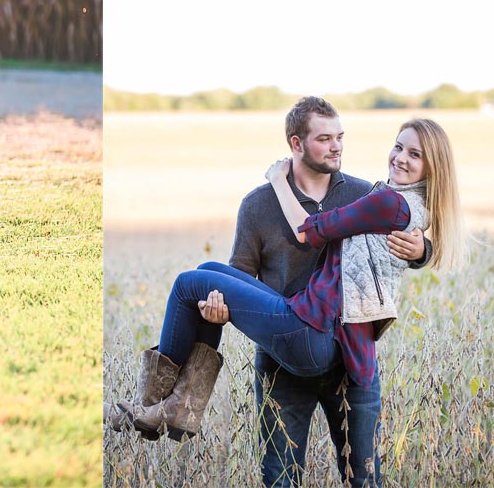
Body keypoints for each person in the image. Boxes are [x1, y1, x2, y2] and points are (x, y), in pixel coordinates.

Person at [109, 101, 465, 488]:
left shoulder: (363, 194)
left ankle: (161, 405)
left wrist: (422, 251)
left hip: (347, 357)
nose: (336, 147)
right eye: (325, 138)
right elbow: (241, 276)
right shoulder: (258, 205)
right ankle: (175, 404)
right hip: (286, 350)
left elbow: (396, 236)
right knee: (206, 275)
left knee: (364, 479)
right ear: (296, 143)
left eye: (340, 138)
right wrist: (218, 312)